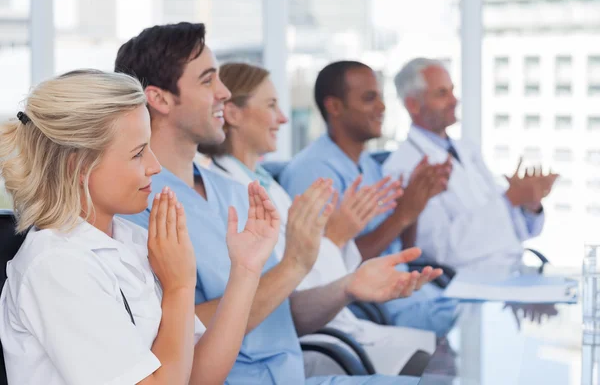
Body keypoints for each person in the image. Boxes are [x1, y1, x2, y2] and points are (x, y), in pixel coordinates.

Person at [116, 22, 439, 384]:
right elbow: (172, 334)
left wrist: (346, 287)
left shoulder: (236, 191)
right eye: (207, 81)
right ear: (158, 98)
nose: (224, 93)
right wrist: (293, 264)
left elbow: (282, 317)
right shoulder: (137, 207)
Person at [0, 70, 280, 385]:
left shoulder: (132, 240)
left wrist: (245, 270)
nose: (154, 166)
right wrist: (179, 287)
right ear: (76, 166)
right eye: (137, 153)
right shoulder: (56, 266)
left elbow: (199, 375)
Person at [203, 62, 439, 376]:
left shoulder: (266, 184)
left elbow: (306, 267)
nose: (284, 119)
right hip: (312, 340)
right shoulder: (232, 194)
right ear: (232, 113)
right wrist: (337, 237)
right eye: (271, 105)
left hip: (338, 324)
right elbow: (290, 285)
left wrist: (338, 238)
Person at [279, 61, 459, 337]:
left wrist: (414, 204)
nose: (382, 108)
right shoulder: (313, 173)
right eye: (368, 98)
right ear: (335, 107)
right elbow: (326, 268)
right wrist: (403, 215)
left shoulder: (369, 164)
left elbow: (400, 250)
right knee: (474, 323)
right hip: (374, 308)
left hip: (409, 292)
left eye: (381, 97)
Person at [384, 57, 558, 271]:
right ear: (413, 104)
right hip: (467, 284)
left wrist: (528, 205)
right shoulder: (403, 166)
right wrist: (509, 199)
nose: (453, 100)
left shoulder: (467, 150)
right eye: (441, 93)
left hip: (509, 271)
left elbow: (514, 231)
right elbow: (438, 250)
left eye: (452, 91)